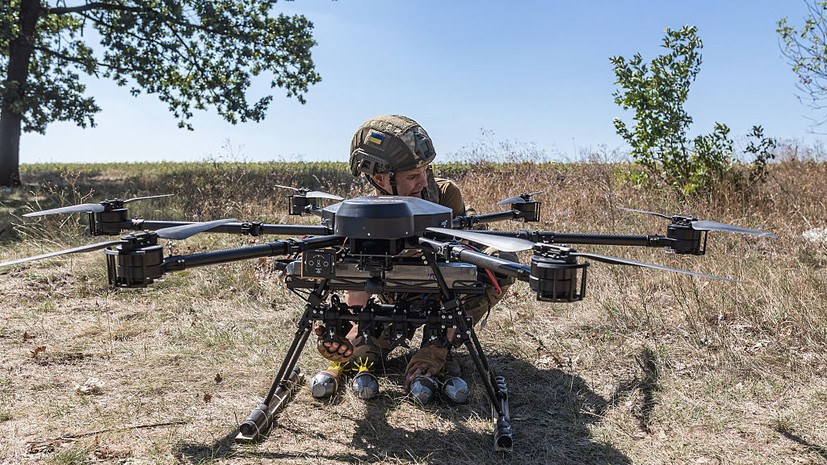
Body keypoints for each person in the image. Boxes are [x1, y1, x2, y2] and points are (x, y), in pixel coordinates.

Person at [311, 114, 515, 404]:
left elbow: (467, 263)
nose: (423, 180)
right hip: (392, 300)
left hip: (444, 297)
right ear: (379, 179)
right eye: (412, 176)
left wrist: (436, 349)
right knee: (356, 355)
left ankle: (438, 342)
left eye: (425, 170)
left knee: (500, 264)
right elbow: (356, 280)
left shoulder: (444, 196)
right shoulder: (361, 214)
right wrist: (353, 327)